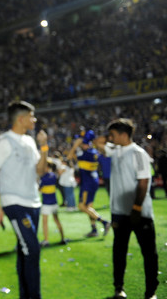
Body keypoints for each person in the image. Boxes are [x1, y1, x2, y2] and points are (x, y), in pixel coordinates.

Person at [0, 100, 49, 299]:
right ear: (21, 119)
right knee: (32, 249)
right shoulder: (4, 141)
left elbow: (40, 170)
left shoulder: (30, 141)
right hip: (13, 202)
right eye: (32, 116)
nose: (35, 120)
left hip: (33, 201)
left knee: (25, 251)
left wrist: (44, 148)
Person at [94, 119, 158, 299]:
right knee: (119, 252)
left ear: (123, 135)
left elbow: (144, 182)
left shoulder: (138, 153)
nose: (110, 139)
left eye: (113, 135)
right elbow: (97, 143)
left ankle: (151, 292)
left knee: (148, 253)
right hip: (119, 212)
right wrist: (108, 136)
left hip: (140, 213)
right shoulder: (115, 151)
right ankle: (119, 289)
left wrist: (136, 208)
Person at [67, 130, 111, 237]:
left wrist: (74, 146)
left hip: (87, 182)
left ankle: (104, 222)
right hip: (92, 181)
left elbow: (69, 157)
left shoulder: (85, 153)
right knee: (89, 207)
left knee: (82, 206)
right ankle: (94, 230)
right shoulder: (93, 152)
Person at [38, 161, 66, 247]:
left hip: (46, 203)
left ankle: (46, 240)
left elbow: (39, 189)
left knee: (45, 222)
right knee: (57, 220)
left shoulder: (44, 177)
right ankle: (62, 238)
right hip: (54, 202)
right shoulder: (54, 176)